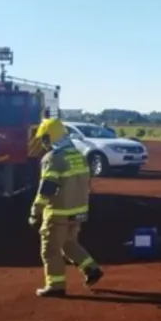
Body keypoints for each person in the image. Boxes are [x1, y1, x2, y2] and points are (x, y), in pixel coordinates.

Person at [28, 118, 104, 298]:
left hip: (58, 213)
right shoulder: (78, 155)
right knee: (69, 243)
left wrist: (35, 212)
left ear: (50, 137)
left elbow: (46, 188)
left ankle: (55, 285)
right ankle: (91, 268)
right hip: (78, 211)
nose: (44, 143)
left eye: (45, 139)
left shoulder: (53, 159)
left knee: (51, 248)